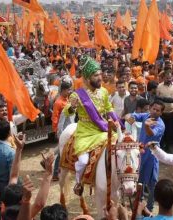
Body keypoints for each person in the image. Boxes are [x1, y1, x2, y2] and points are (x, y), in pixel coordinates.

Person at [63, 55, 121, 196]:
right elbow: (66, 112)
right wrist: (72, 107)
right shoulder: (77, 95)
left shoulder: (104, 92)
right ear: (88, 78)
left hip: (102, 129)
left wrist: (118, 122)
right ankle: (78, 183)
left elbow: (108, 108)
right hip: (85, 132)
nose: (100, 77)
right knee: (83, 161)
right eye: (96, 75)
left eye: (100, 74)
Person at [125, 100, 165, 212]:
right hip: (140, 153)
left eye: (158, 110)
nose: (155, 112)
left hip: (152, 155)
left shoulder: (161, 125)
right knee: (140, 180)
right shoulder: (145, 115)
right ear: (150, 108)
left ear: (161, 113)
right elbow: (130, 116)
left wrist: (147, 126)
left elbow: (150, 134)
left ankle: (150, 207)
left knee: (152, 183)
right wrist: (129, 119)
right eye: (154, 109)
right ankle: (139, 202)